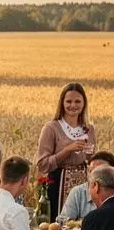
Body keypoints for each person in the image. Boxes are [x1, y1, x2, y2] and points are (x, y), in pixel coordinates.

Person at [37, 82, 95, 219]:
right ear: (62, 103)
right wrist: (67, 150)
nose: (73, 105)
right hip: (57, 184)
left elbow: (91, 160)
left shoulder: (89, 128)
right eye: (68, 101)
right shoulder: (51, 128)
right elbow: (42, 164)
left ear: (84, 104)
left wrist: (90, 156)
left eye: (77, 101)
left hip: (83, 184)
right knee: (59, 224)